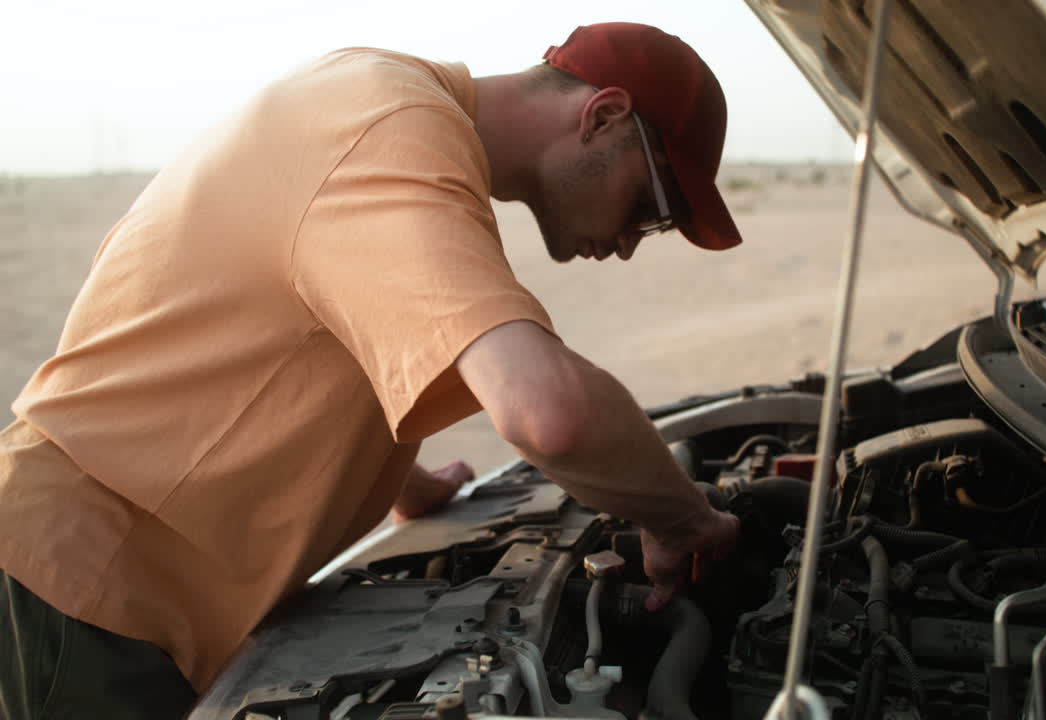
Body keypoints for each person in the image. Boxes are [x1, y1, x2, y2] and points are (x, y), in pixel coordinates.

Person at [0, 22, 743, 720]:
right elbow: (549, 414)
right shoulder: (388, 130)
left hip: (116, 584)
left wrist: (403, 482)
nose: (627, 246)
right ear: (603, 115)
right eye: (650, 208)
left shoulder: (378, 104)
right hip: (89, 586)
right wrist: (683, 519)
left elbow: (310, 328)